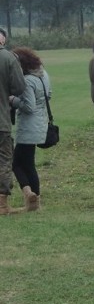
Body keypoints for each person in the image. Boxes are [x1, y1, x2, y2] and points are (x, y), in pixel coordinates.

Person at [8, 47, 50, 212]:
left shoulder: (27, 81)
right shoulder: (43, 75)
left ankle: (29, 194)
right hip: (41, 122)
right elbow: (49, 95)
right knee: (28, 163)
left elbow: (28, 106)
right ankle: (34, 198)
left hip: (28, 126)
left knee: (16, 162)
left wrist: (13, 100)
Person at [0, 27, 26, 214]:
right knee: (4, 160)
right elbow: (18, 87)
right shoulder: (8, 58)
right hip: (1, 120)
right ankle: (2, 204)